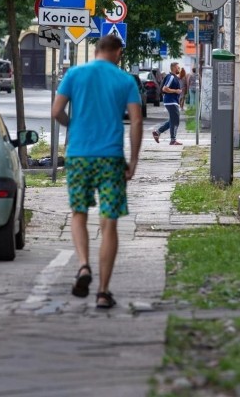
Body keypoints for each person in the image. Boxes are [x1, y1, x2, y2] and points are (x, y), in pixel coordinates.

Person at [51, 35, 143, 310]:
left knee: (78, 213)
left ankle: (82, 266)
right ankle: (103, 292)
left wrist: (74, 125)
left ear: (95, 50)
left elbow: (56, 111)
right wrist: (134, 160)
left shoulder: (75, 73)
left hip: (79, 155)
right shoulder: (125, 80)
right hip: (110, 157)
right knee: (109, 222)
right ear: (118, 53)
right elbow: (136, 120)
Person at [152, 62, 183, 145]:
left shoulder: (174, 77)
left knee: (173, 120)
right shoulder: (171, 77)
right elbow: (165, 88)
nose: (179, 69)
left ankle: (157, 132)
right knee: (175, 121)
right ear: (173, 68)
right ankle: (173, 140)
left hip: (172, 101)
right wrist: (176, 91)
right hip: (170, 101)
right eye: (177, 67)